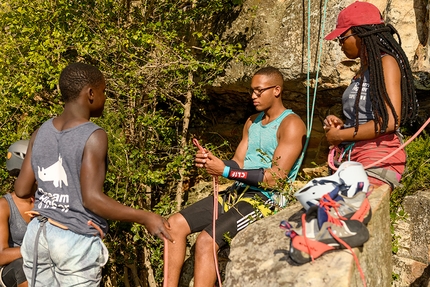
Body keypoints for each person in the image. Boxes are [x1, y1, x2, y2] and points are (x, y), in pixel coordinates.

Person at [14, 62, 173, 286]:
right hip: (73, 240)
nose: (105, 97)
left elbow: (21, 189)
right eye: (103, 91)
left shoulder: (40, 132)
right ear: (90, 93)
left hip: (38, 235)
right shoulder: (94, 135)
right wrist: (145, 217)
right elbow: (92, 199)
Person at [166, 66, 307, 286]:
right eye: (252, 91)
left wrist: (225, 171)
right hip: (239, 191)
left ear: (277, 90)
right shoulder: (252, 122)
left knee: (206, 241)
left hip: (267, 199)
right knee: (173, 224)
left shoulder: (292, 124)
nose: (253, 96)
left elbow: (275, 178)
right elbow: (238, 163)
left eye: (259, 91)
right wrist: (216, 162)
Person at [323, 1, 418, 190]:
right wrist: (342, 126)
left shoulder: (387, 62)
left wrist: (340, 135)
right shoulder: (364, 69)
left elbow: (390, 121)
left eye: (342, 36)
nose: (340, 43)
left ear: (361, 33)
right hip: (353, 155)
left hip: (378, 155)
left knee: (347, 211)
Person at [0, 140, 33, 287]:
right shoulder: (5, 205)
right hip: (12, 270)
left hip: (41, 264)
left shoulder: (45, 201)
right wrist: (35, 249)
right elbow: (1, 255)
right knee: (24, 267)